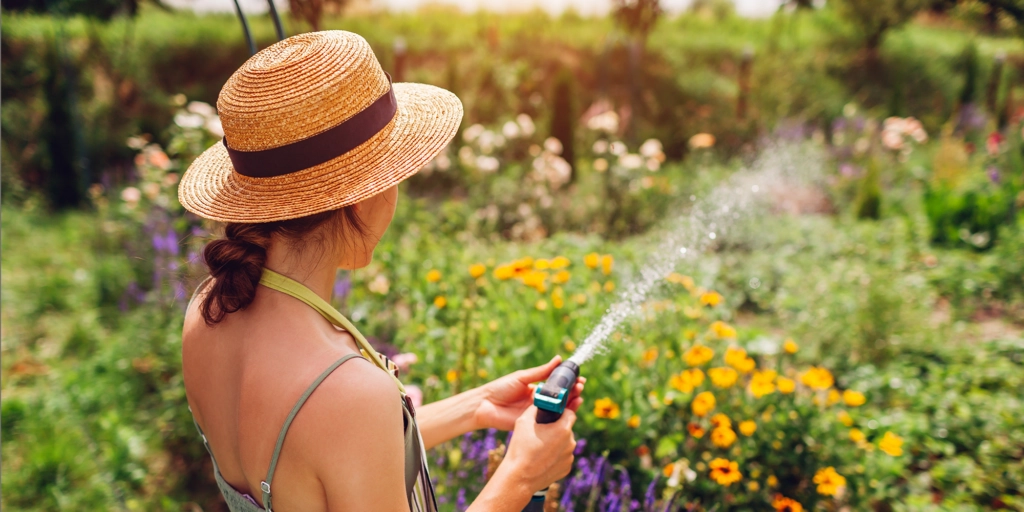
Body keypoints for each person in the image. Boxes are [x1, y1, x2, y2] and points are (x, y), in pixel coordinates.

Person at [177, 31, 584, 512]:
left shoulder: (208, 311)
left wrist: (474, 409)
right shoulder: (345, 391)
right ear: (363, 192)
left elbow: (325, 458)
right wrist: (521, 476)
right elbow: (340, 426)